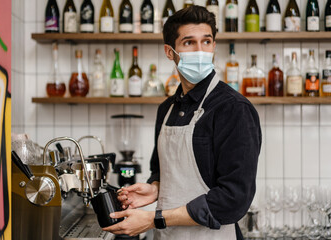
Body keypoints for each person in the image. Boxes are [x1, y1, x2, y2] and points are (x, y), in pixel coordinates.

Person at [103, 5, 261, 239]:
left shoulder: (233, 109)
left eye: (206, 42)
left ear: (214, 47)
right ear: (170, 52)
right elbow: (161, 170)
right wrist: (154, 188)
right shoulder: (166, 109)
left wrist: (155, 218)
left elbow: (233, 199)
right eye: (189, 43)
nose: (200, 51)